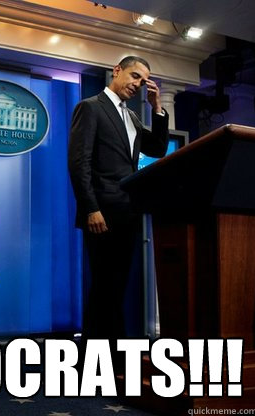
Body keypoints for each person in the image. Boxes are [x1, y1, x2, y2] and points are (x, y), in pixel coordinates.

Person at [67, 56, 169, 365]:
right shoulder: (91, 107)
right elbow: (79, 163)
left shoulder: (133, 116)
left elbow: (157, 149)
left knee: (117, 287)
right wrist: (90, 208)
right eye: (134, 75)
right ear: (117, 71)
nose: (138, 84)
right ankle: (94, 361)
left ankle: (114, 358)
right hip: (102, 213)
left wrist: (157, 108)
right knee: (104, 286)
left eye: (143, 80)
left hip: (128, 212)